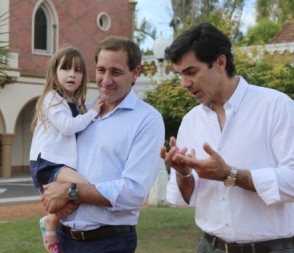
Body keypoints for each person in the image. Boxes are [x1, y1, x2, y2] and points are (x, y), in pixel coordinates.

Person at [161, 22, 294, 253]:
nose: (184, 84)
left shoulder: (277, 106)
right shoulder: (191, 120)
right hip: (209, 246)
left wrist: (230, 174)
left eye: (191, 72)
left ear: (220, 62)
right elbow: (183, 198)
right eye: (180, 74)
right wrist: (183, 174)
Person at [41, 36, 165, 253]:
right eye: (101, 70)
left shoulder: (147, 119)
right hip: (64, 238)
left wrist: (72, 191)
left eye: (116, 72)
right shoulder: (82, 114)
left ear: (135, 73)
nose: (106, 79)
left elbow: (133, 192)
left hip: (107, 243)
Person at [29, 47, 104, 253]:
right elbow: (68, 126)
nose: (72, 74)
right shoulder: (52, 99)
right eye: (66, 69)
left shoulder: (75, 104)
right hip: (48, 162)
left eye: (78, 70)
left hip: (59, 163)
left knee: (79, 193)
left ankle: (52, 224)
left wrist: (90, 111)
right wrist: (94, 112)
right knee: (84, 187)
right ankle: (51, 221)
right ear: (55, 72)